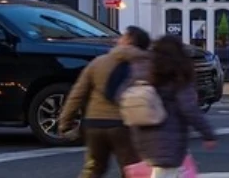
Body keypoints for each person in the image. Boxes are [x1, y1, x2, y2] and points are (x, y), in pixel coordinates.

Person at [60, 25, 153, 178]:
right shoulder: (146, 66)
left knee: (94, 168)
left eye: (122, 36)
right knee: (132, 169)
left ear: (129, 40)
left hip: (94, 122)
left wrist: (65, 122)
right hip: (124, 125)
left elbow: (78, 94)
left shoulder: (98, 62)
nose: (118, 39)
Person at [134, 36, 218, 176]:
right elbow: (190, 109)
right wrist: (208, 134)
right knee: (165, 172)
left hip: (145, 139)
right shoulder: (179, 80)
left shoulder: (147, 76)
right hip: (169, 142)